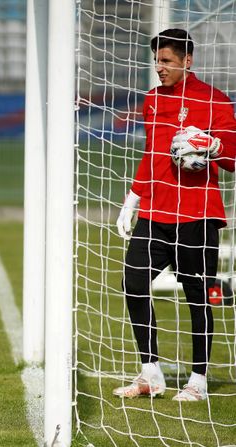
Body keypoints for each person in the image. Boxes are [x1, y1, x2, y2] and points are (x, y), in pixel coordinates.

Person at [114, 29, 236, 401]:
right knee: (133, 283)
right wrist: (133, 198)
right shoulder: (153, 99)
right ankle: (151, 373)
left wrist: (213, 146)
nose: (159, 68)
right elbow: (152, 154)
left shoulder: (216, 101)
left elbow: (233, 159)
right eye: (157, 61)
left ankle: (198, 380)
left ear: (187, 60)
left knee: (198, 295)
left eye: (167, 61)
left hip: (198, 214)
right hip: (155, 212)